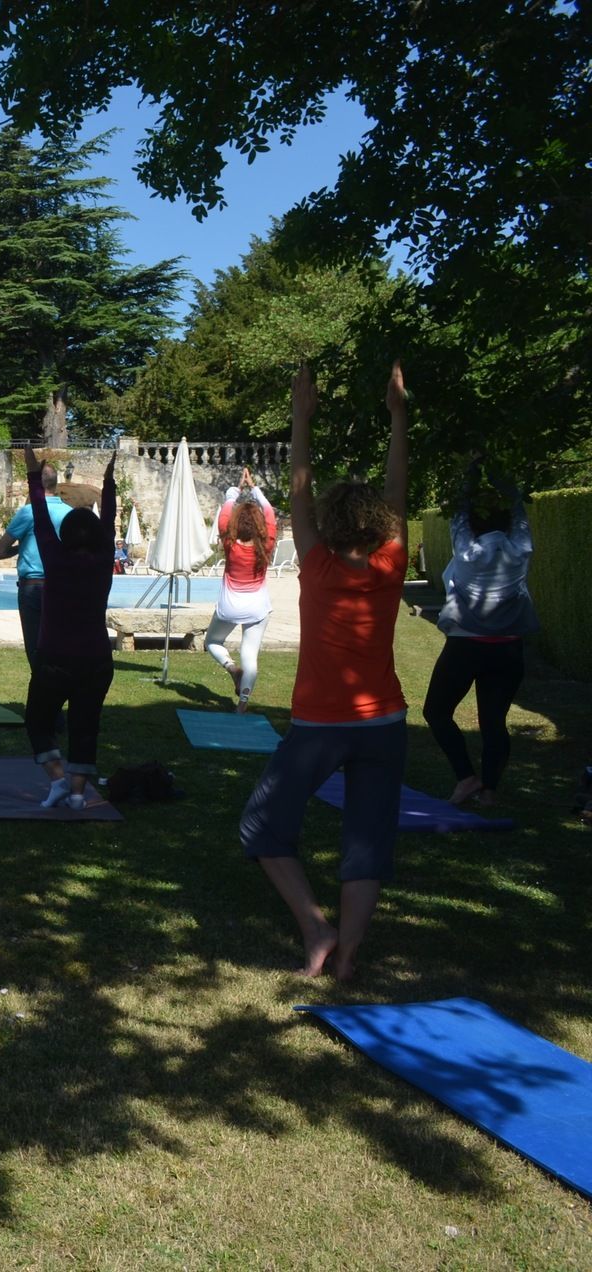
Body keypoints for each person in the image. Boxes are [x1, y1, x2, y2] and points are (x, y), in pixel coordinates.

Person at [239, 362, 411, 980]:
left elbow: (299, 489)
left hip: (321, 725)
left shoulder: (315, 564)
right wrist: (398, 416)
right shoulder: (391, 563)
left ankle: (317, 928)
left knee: (261, 824)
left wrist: (300, 418)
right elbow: (398, 486)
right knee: (367, 839)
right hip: (385, 721)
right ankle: (350, 955)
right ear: (383, 528)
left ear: (332, 527)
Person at [422, 458, 537, 806]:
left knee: (436, 712)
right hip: (508, 649)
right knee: (494, 721)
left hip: (466, 646)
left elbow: (459, 510)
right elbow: (517, 506)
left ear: (473, 524)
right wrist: (498, 467)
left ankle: (467, 778)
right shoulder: (521, 550)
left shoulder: (467, 552)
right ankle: (488, 791)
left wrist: (471, 466)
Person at [20, 445, 119, 810]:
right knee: (85, 725)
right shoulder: (104, 557)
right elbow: (108, 521)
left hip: (55, 659)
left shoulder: (55, 556)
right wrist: (108, 483)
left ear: (66, 535)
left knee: (37, 720)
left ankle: (59, 780)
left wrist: (34, 475)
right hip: (96, 659)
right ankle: (77, 793)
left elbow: (42, 516)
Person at [204, 468, 279, 712]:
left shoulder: (229, 542)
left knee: (213, 642)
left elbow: (226, 508)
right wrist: (254, 487)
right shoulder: (266, 545)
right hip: (257, 608)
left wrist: (236, 489)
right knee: (251, 655)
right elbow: (268, 511)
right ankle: (242, 706)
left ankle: (231, 668)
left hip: (229, 607)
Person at [0, 459, 73, 668]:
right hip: (63, 586)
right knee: (60, 645)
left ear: (35, 485)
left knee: (35, 647)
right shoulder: (70, 513)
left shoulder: (28, 513)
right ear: (56, 484)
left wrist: (22, 546)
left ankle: (40, 692)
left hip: (34, 587)